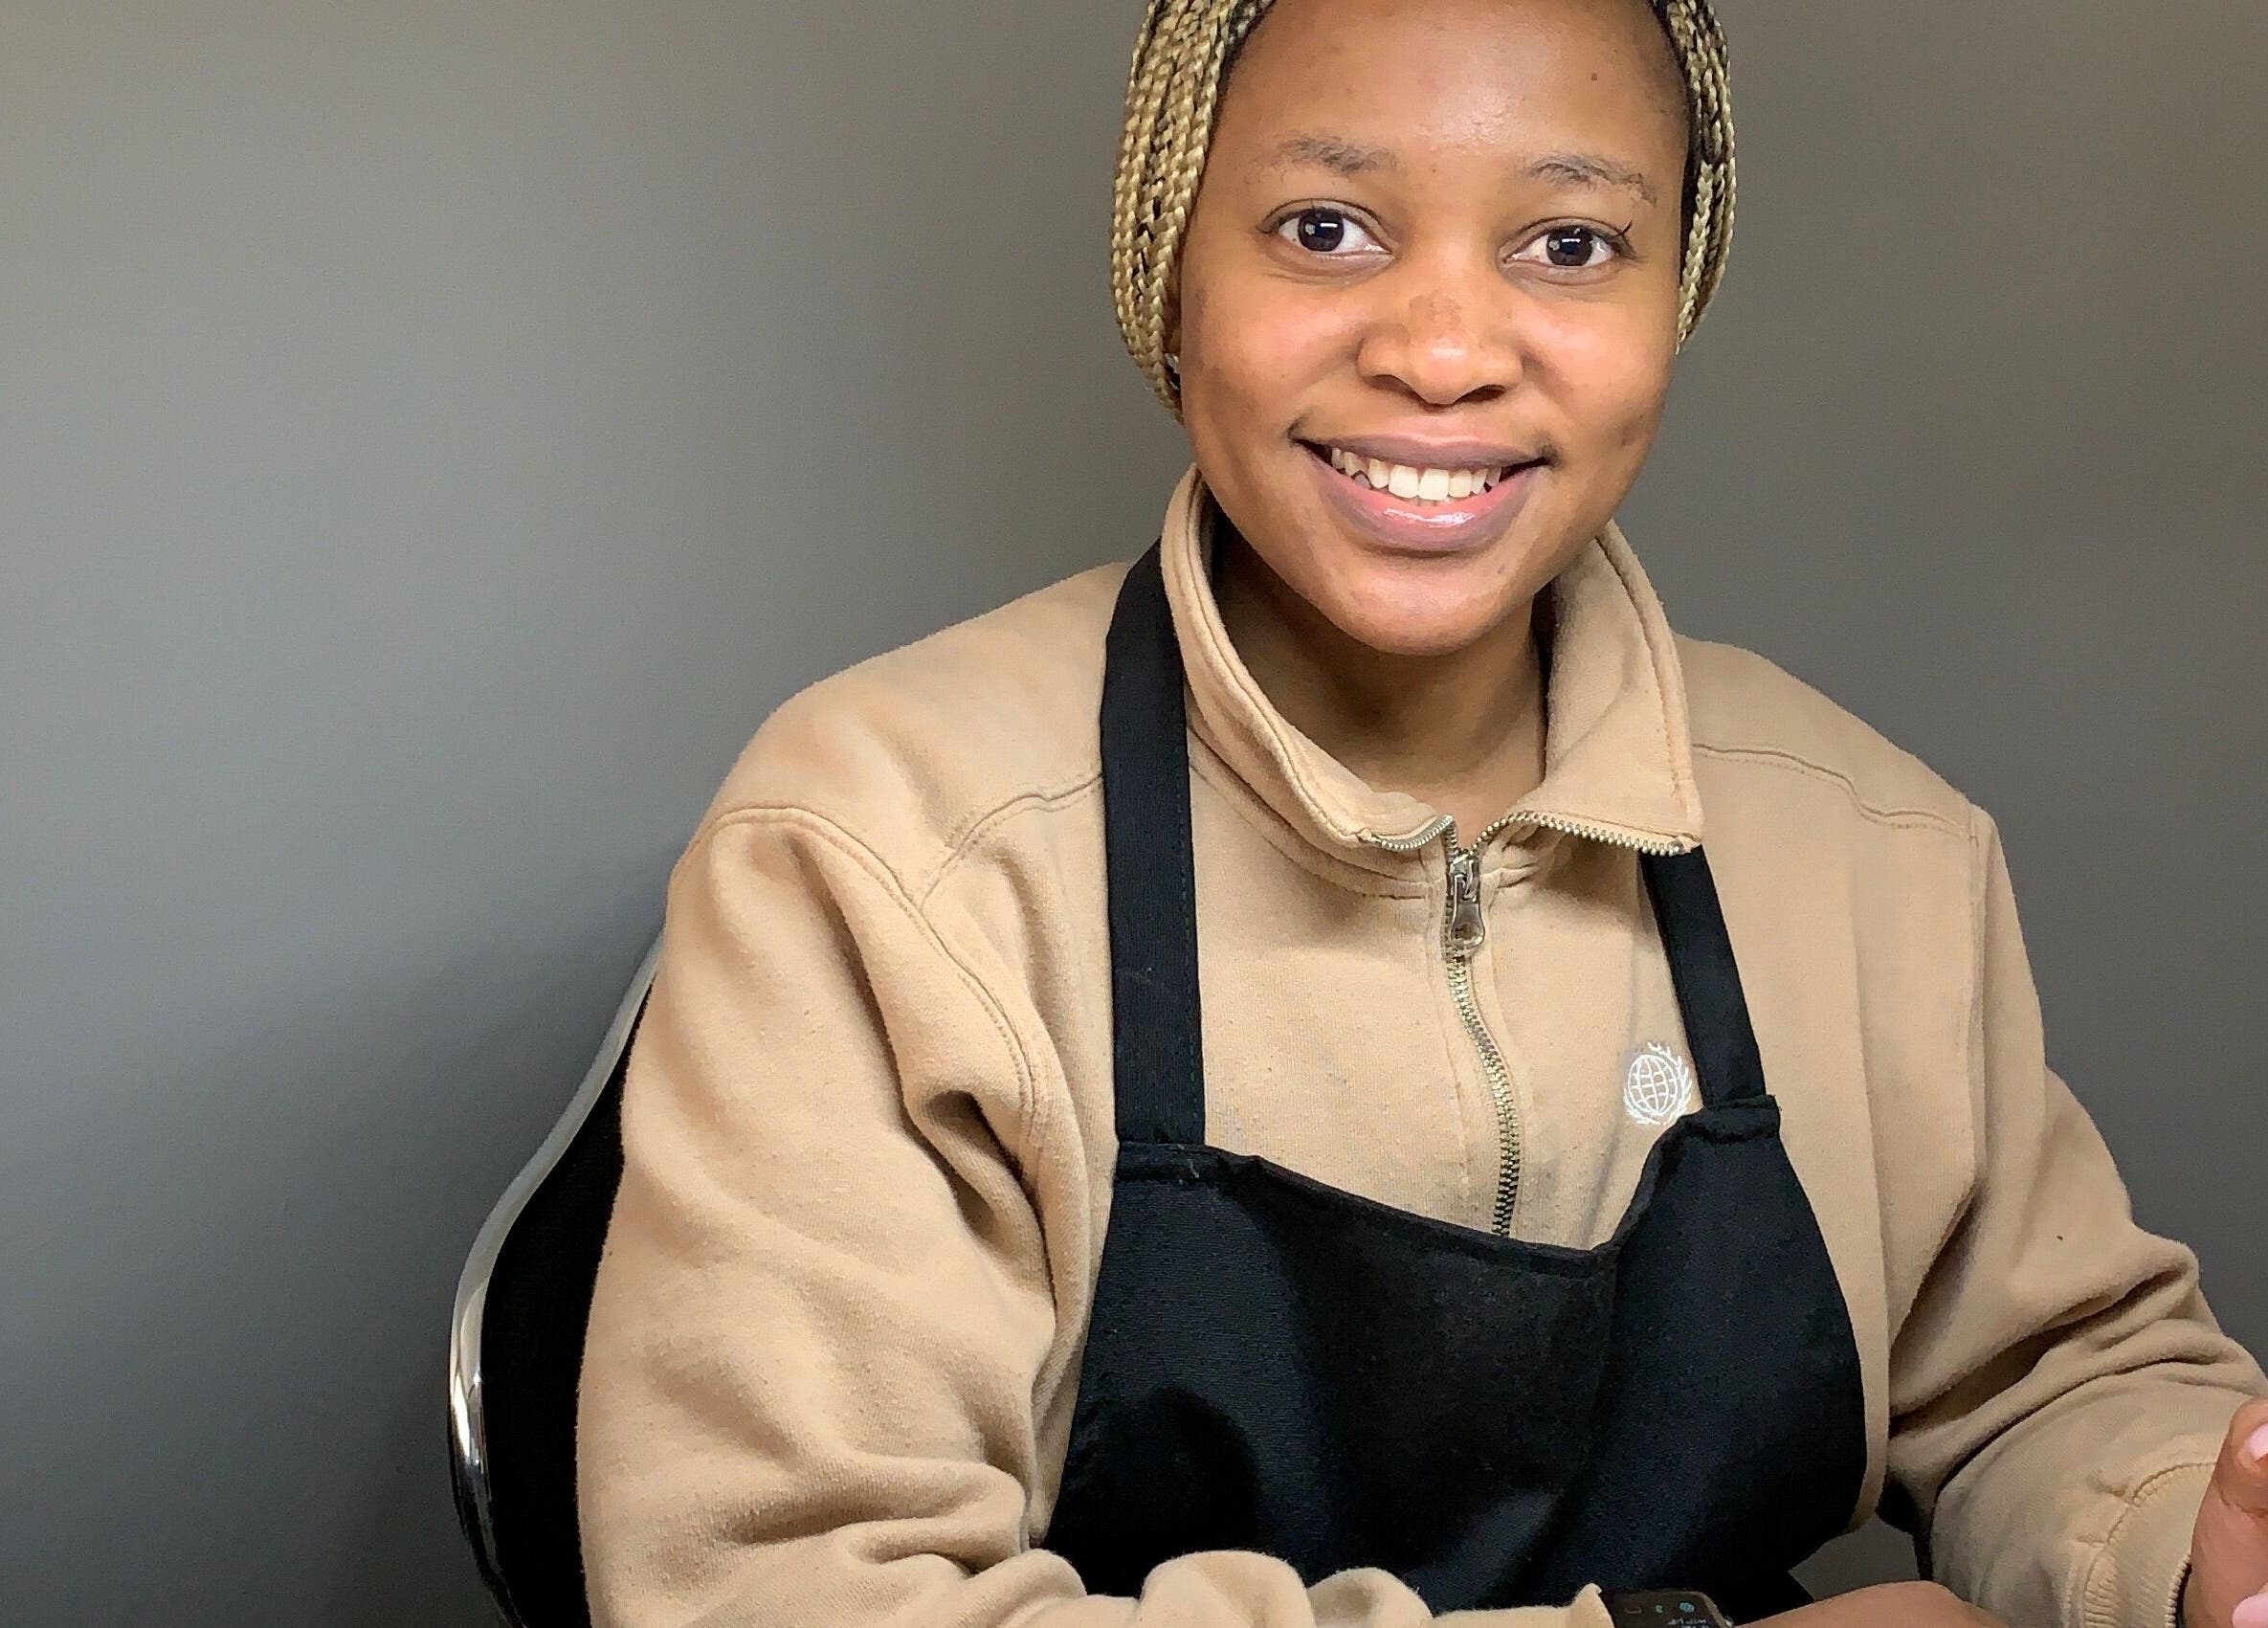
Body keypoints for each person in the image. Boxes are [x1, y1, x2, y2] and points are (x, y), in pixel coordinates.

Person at [574, 1, 2268, 1623]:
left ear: (1674, 294)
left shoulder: (1877, 849)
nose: (1445, 354)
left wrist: (2189, 1543)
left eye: (1568, 243)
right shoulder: (880, 854)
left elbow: (2056, 1373)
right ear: (1168, 267)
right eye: (1324, 227)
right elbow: (784, 1592)